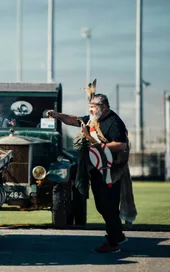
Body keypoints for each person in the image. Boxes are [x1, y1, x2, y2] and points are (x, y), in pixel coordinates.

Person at [46, 93, 137, 253]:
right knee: (102, 206)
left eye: (93, 107)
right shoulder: (93, 119)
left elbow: (121, 145)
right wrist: (57, 115)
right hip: (97, 169)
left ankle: (113, 242)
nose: (90, 110)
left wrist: (97, 146)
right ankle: (118, 235)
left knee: (108, 206)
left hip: (111, 171)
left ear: (104, 107)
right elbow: (74, 120)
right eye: (90, 107)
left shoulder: (114, 122)